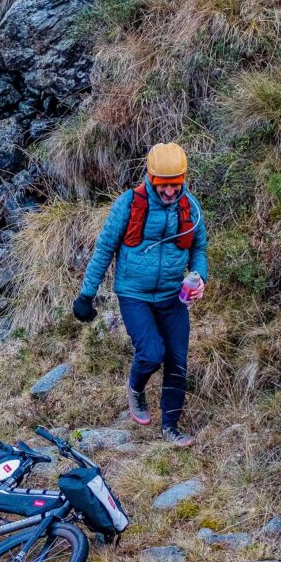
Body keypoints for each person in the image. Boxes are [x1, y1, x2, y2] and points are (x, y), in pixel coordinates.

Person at [73, 143, 208, 448]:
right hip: (134, 293)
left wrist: (200, 278)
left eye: (176, 184)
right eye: (164, 185)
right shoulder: (129, 204)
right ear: (151, 177)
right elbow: (105, 248)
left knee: (177, 361)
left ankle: (171, 428)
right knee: (151, 353)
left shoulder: (191, 207)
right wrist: (86, 295)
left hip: (174, 295)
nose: (171, 191)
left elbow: (199, 249)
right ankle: (135, 387)